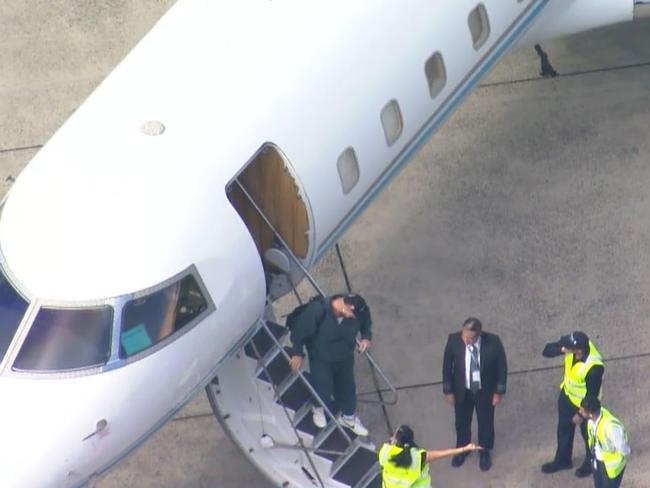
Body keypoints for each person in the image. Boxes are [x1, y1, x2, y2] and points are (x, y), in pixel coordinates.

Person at [288, 293, 371, 436]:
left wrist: (366, 337)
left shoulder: (359, 309)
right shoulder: (317, 311)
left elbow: (365, 321)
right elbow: (299, 332)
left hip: (344, 356)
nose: (354, 319)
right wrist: (297, 352)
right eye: (352, 315)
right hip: (321, 357)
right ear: (346, 308)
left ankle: (349, 418)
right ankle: (318, 408)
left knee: (348, 388)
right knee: (323, 387)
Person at [442, 317, 507, 471]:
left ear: (478, 335)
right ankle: (463, 449)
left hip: (484, 391)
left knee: (486, 422)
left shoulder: (493, 342)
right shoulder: (453, 340)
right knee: (462, 421)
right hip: (462, 390)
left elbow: (501, 367)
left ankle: (484, 451)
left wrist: (498, 392)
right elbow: (446, 366)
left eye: (470, 338)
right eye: (464, 336)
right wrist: (448, 390)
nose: (466, 340)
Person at [541, 331, 604, 477]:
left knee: (589, 436)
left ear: (579, 350)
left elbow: (592, 396)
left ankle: (590, 462)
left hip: (585, 406)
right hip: (567, 397)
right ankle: (563, 460)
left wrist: (580, 414)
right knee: (563, 430)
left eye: (567, 346)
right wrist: (561, 349)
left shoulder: (594, 367)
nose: (564, 347)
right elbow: (547, 351)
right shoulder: (572, 348)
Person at [378, 424, 482, 488]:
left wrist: (391, 443)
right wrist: (465, 449)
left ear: (395, 440)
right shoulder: (418, 457)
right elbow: (443, 453)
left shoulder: (385, 452)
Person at [578, 395, 630, 488]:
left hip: (611, 468)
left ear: (590, 413)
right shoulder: (592, 419)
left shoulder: (610, 427)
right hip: (597, 460)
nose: (580, 411)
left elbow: (622, 446)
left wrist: (626, 452)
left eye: (582, 410)